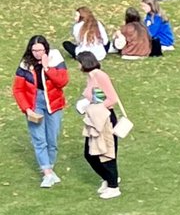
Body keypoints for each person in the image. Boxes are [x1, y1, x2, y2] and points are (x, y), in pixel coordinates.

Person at [12, 35, 69, 187]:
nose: (37, 53)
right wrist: (27, 109)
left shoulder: (54, 57)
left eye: (40, 50)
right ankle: (47, 172)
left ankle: (49, 167)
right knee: (39, 139)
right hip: (34, 101)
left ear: (46, 49)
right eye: (34, 50)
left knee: (52, 139)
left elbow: (62, 81)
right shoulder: (25, 63)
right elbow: (18, 89)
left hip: (53, 102)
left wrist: (47, 68)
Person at [77, 50, 124, 197]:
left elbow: (112, 98)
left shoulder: (100, 76)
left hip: (104, 119)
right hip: (95, 119)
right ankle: (108, 178)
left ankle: (113, 186)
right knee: (90, 153)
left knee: (106, 152)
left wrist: (96, 108)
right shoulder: (91, 77)